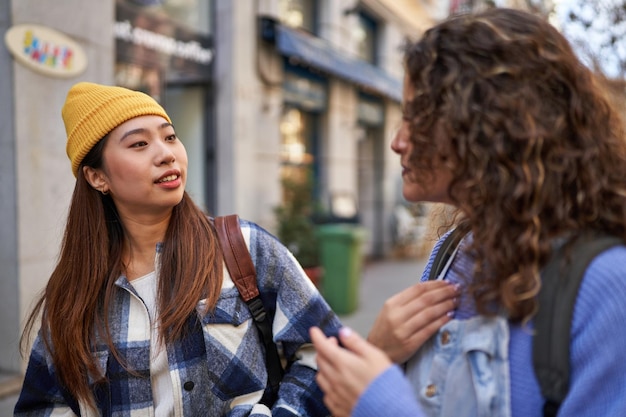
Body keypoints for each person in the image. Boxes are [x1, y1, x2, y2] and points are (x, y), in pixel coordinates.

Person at [310, 7, 626, 417]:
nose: (397, 141)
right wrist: (381, 352)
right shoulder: (456, 251)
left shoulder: (605, 285)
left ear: (488, 126)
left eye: (416, 117)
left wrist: (380, 403)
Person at [15, 82, 342, 416]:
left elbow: (325, 351)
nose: (166, 153)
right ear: (97, 176)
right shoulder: (74, 291)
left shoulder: (242, 248)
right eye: (139, 144)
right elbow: (45, 405)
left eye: (170, 137)